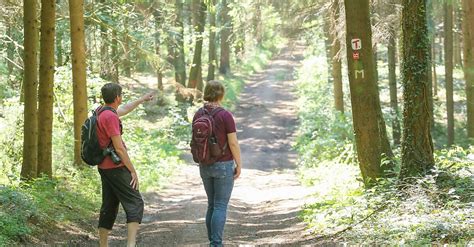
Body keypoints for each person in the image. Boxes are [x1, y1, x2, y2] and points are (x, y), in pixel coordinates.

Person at [96, 83, 154, 247]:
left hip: (104, 167)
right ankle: (131, 244)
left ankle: (103, 245)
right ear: (117, 97)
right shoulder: (111, 117)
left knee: (109, 205)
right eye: (121, 95)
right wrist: (132, 170)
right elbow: (119, 149)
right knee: (135, 202)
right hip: (116, 167)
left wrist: (142, 99)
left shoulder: (101, 111)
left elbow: (125, 109)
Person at [193, 80, 242, 246]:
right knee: (220, 205)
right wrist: (239, 164)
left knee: (212, 204)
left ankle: (212, 241)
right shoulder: (225, 115)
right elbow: (233, 143)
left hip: (204, 164)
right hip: (223, 164)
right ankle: (216, 243)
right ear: (221, 94)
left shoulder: (198, 114)